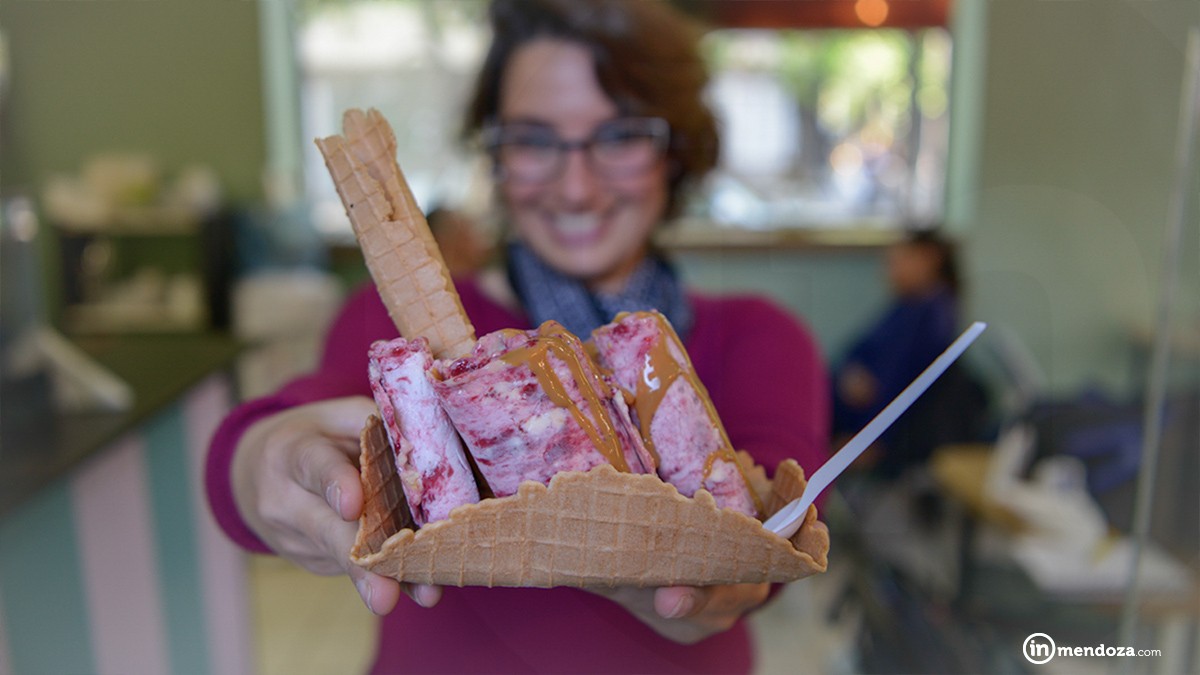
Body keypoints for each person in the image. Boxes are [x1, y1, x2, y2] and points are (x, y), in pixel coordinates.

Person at [205, 1, 829, 672]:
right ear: (495, 153)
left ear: (676, 151)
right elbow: (272, 435)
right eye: (534, 141)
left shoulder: (759, 338)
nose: (577, 186)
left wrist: (737, 572)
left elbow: (782, 532)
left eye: (621, 136)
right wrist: (259, 460)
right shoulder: (389, 326)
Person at [832, 229, 986, 476]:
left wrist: (873, 442)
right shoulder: (909, 305)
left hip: (876, 432)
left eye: (900, 261)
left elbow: (904, 385)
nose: (890, 271)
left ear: (930, 259)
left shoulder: (931, 315)